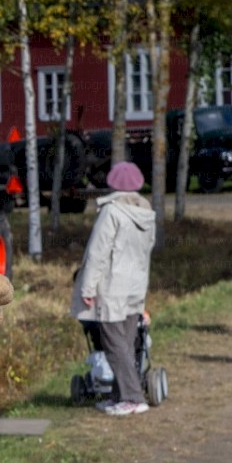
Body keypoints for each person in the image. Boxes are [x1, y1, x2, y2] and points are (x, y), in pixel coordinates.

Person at [71, 161, 157, 417]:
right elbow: (147, 250)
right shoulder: (146, 211)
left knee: (112, 343)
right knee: (127, 343)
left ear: (112, 184)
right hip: (135, 284)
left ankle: (132, 397)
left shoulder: (111, 212)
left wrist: (87, 287)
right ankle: (119, 395)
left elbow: (97, 253)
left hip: (111, 285)